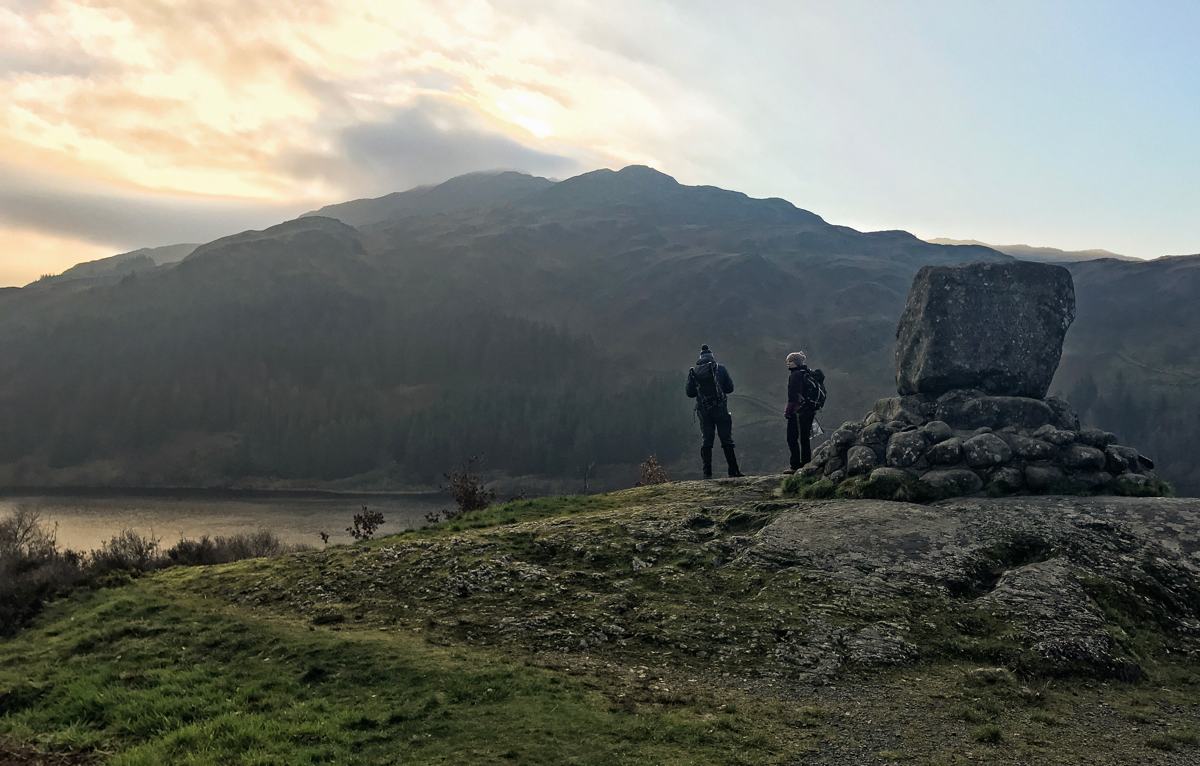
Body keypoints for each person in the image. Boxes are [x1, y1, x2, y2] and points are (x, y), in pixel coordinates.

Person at [685, 344, 743, 478]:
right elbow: (730, 388)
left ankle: (707, 474)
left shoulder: (693, 372)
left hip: (704, 412)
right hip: (721, 409)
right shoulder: (720, 368)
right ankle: (733, 471)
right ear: (712, 357)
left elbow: (690, 393)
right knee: (726, 440)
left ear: (700, 358)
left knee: (707, 441)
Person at [785, 351, 825, 471]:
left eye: (789, 361)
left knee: (792, 438)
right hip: (809, 410)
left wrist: (788, 412)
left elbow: (793, 396)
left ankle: (795, 465)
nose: (787, 363)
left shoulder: (795, 375)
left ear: (795, 363)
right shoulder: (807, 373)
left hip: (798, 412)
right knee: (804, 439)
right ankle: (806, 464)